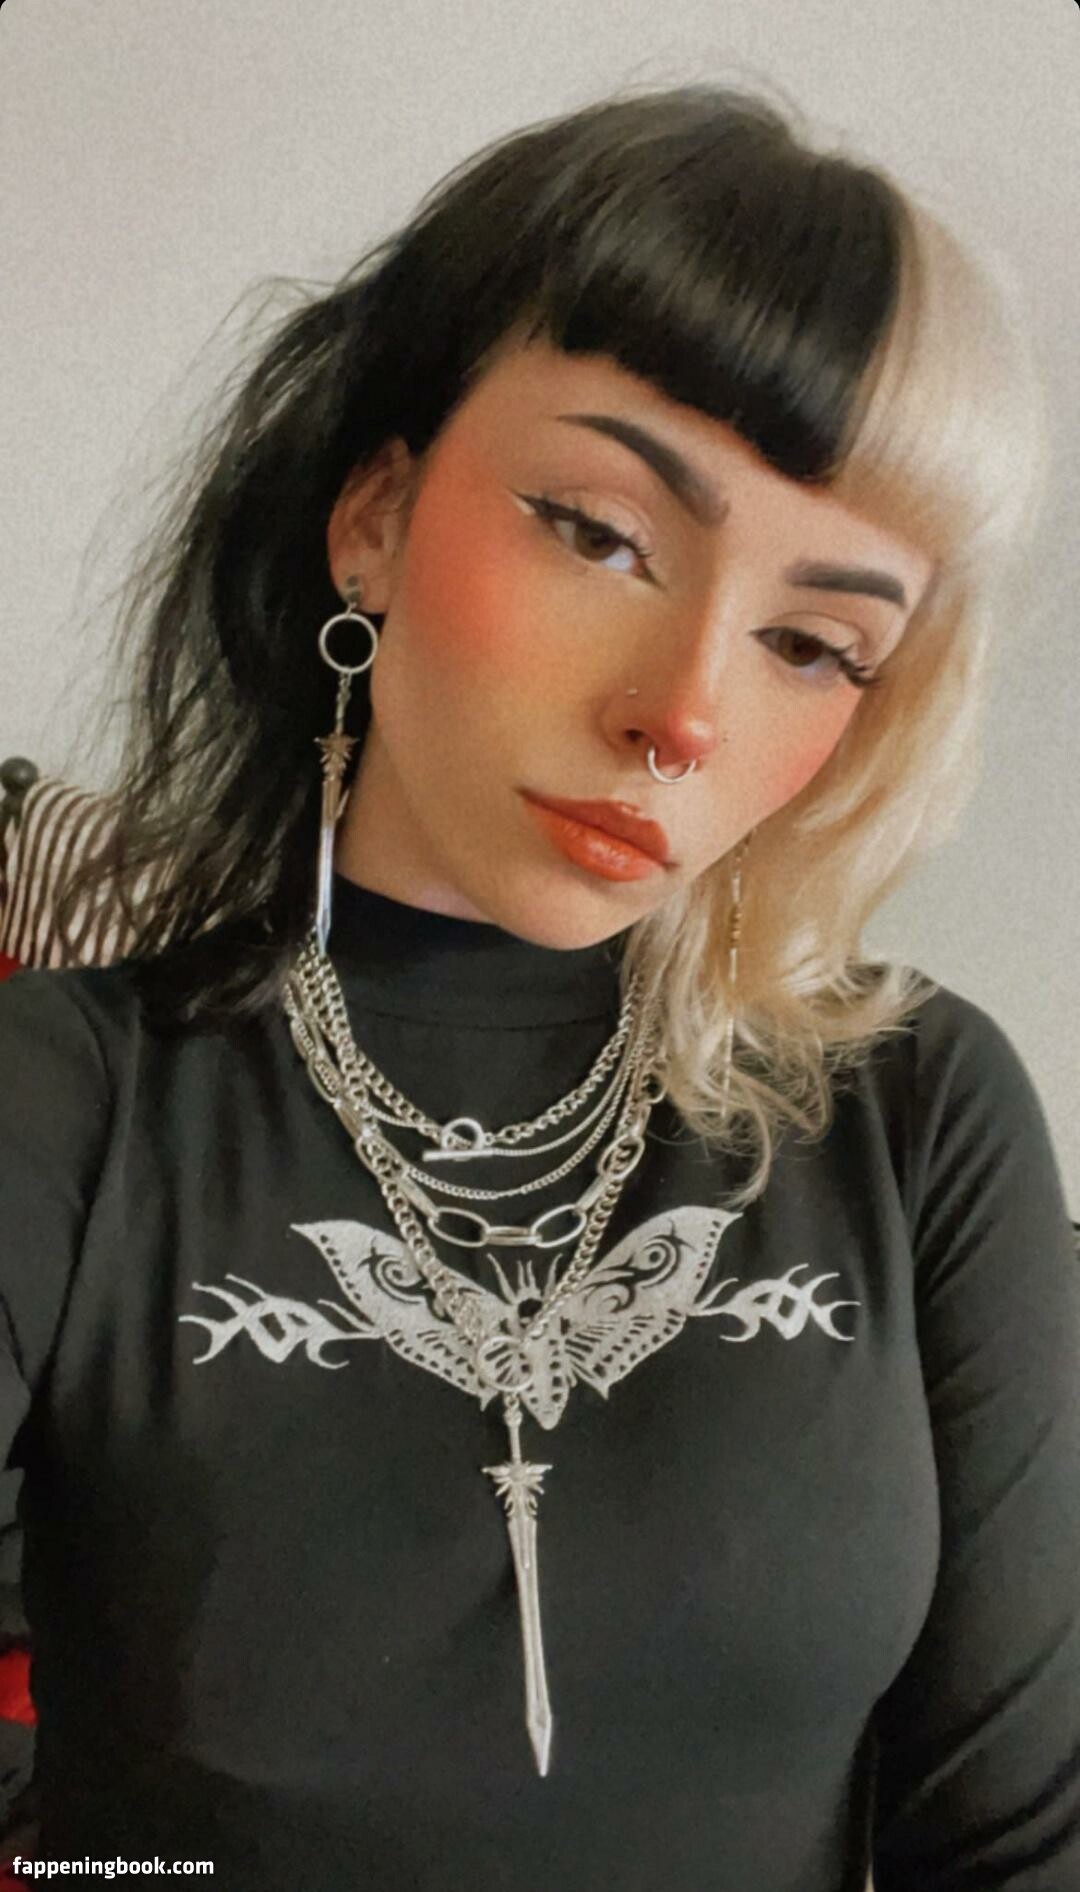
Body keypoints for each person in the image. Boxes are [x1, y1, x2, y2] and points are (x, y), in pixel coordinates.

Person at [0, 80, 1077, 1892]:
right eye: (600, 532)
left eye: (814, 641)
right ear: (374, 512)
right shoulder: (66, 1104)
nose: (686, 710)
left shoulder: (918, 1115)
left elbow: (1018, 1843)